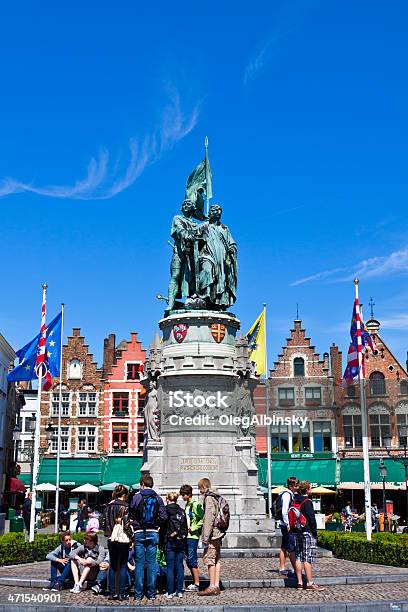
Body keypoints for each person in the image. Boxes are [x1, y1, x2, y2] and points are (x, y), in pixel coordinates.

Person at [129, 474, 167, 601]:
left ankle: (138, 594)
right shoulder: (158, 498)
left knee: (139, 563)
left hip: (139, 532)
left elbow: (131, 513)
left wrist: (135, 524)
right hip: (153, 532)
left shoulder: (136, 497)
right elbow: (163, 517)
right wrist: (156, 525)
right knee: (152, 563)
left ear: (142, 484)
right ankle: (151, 593)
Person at [292, 481, 325, 592]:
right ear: (306, 489)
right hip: (306, 532)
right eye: (310, 488)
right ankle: (310, 583)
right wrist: (314, 532)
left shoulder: (295, 500)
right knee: (307, 557)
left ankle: (300, 583)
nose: (311, 489)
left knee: (298, 556)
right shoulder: (307, 502)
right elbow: (311, 519)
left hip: (297, 531)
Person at [103, 484, 132, 601]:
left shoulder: (108, 506)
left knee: (113, 565)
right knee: (123, 565)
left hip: (111, 538)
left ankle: (112, 592)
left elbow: (103, 522)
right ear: (124, 495)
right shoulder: (126, 507)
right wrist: (131, 537)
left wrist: (109, 533)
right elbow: (127, 524)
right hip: (122, 538)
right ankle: (122, 593)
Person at [197, 477, 225, 597]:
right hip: (218, 532)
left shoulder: (209, 498)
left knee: (210, 559)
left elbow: (209, 518)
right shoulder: (216, 496)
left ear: (204, 487)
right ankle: (216, 585)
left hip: (212, 534)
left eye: (199, 488)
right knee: (216, 558)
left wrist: (205, 538)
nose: (199, 491)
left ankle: (212, 586)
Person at [164, 491, 188, 600]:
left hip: (169, 540)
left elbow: (163, 526)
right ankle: (179, 591)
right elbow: (185, 528)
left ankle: (170, 591)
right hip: (180, 541)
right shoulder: (181, 511)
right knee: (179, 566)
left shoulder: (165, 510)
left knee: (170, 567)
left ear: (168, 499)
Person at [180, 483, 204, 592]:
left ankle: (197, 584)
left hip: (192, 537)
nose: (181, 497)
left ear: (188, 494)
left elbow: (202, 518)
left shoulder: (195, 504)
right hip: (187, 536)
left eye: (183, 495)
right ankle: (195, 582)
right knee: (189, 560)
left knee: (192, 559)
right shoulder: (188, 504)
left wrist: (193, 528)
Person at [276, 476, 297, 576]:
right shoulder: (287, 495)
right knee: (291, 547)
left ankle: (282, 568)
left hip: (283, 523)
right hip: (286, 524)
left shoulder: (286, 494)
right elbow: (285, 511)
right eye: (295, 486)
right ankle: (296, 569)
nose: (297, 487)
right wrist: (288, 524)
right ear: (291, 486)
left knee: (284, 546)